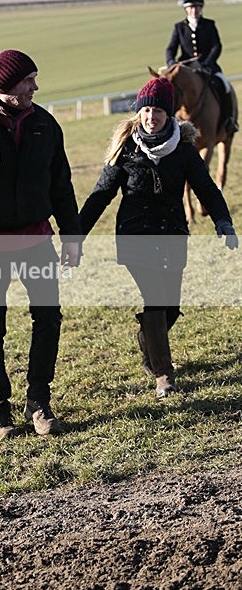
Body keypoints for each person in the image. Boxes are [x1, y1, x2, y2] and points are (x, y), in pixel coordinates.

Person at [79, 76, 238, 399]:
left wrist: (223, 220)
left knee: (171, 306)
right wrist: (75, 233)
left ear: (170, 115)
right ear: (139, 113)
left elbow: (206, 188)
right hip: (134, 235)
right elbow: (101, 194)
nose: (152, 118)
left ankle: (148, 341)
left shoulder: (183, 149)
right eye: (147, 111)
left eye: (159, 112)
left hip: (172, 233)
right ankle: (163, 374)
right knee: (154, 300)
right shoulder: (126, 149)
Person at [0, 50, 81, 440]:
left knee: (47, 319)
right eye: (28, 80)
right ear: (6, 86)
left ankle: (39, 403)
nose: (36, 87)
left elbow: (61, 184)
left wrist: (72, 236)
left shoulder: (45, 123)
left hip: (35, 239)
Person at [165, 0, 236, 131]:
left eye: (197, 7)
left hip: (207, 66)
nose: (194, 10)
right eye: (191, 7)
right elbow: (170, 49)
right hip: (186, 67)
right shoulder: (179, 27)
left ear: (201, 8)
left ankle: (228, 120)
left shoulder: (209, 25)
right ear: (186, 9)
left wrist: (208, 62)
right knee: (172, 88)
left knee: (224, 85)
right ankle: (168, 122)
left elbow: (217, 46)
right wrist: (172, 63)